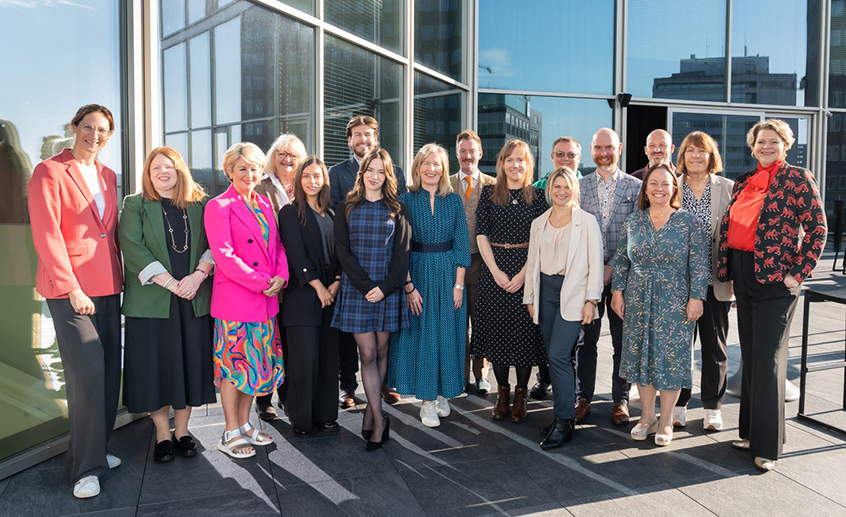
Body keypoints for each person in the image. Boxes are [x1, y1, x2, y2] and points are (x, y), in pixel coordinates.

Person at [717, 119, 826, 471]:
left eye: (773, 141)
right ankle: (749, 433)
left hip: (776, 281)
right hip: (743, 276)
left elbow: (818, 229)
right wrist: (731, 274)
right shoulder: (744, 181)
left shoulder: (798, 178)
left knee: (768, 360)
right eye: (760, 141)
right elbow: (736, 228)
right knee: (750, 356)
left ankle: (768, 446)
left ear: (786, 144)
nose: (766, 146)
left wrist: (798, 273)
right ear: (752, 146)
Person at [27, 104, 123, 499]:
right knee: (87, 375)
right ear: (75, 128)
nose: (94, 135)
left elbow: (109, 233)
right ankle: (85, 468)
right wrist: (72, 288)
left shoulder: (108, 174)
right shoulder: (49, 171)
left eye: (102, 130)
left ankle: (96, 450)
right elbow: (47, 233)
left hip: (108, 285)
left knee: (108, 372)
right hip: (70, 289)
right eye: (88, 127)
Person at [119, 146, 216, 462]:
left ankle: (183, 430)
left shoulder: (200, 204)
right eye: (155, 168)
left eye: (168, 167)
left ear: (179, 171)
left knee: (188, 364)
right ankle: (162, 432)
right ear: (148, 174)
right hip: (152, 302)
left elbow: (215, 245)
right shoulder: (135, 204)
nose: (162, 172)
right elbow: (133, 248)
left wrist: (198, 277)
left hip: (193, 299)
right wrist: (173, 283)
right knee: (155, 368)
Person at [610, 164, 708, 446]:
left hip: (675, 300)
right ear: (645, 188)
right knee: (642, 357)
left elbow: (699, 265)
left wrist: (696, 297)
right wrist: (617, 292)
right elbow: (622, 261)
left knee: (670, 360)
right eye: (653, 183)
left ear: (674, 189)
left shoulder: (689, 222)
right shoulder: (634, 221)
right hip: (637, 298)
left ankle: (666, 421)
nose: (659, 189)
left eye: (665, 184)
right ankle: (647, 416)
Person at [205, 142, 288, 459]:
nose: (249, 174)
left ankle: (244, 425)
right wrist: (262, 282)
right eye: (242, 168)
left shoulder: (265, 204)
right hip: (238, 302)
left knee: (254, 369)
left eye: (254, 168)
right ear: (229, 170)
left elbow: (278, 246)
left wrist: (281, 275)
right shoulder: (219, 206)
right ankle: (229, 432)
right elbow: (224, 257)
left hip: (266, 300)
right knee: (234, 369)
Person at [332, 148, 410, 450]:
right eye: (370, 170)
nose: (375, 176)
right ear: (361, 173)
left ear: (387, 175)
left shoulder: (398, 208)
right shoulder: (347, 207)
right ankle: (379, 418)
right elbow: (343, 252)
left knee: (381, 350)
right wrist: (366, 287)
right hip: (357, 289)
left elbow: (402, 254)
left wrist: (387, 287)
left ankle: (370, 410)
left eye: (381, 171)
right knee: (366, 354)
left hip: (387, 290)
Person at [389, 144, 471, 427]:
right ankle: (426, 401)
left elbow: (462, 244)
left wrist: (458, 286)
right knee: (423, 337)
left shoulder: (454, 201)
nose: (431, 169)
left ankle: (443, 394)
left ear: (444, 169)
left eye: (436, 164)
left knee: (448, 335)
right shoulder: (406, 200)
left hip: (449, 275)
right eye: (426, 163)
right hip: (418, 273)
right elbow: (401, 248)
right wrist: (409, 286)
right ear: (417, 167)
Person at [524, 168, 603, 449]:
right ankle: (564, 417)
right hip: (544, 293)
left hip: (573, 295)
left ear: (575, 189)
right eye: (556, 186)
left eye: (566, 186)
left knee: (558, 355)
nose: (561, 191)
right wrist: (530, 298)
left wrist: (591, 301)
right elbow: (533, 264)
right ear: (549, 190)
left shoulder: (587, 222)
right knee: (555, 358)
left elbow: (595, 263)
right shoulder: (539, 223)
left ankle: (563, 422)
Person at [472, 139, 548, 423]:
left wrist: (523, 274)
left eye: (522, 160)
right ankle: (502, 394)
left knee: (525, 335)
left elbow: (540, 241)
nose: (516, 165)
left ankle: (520, 395)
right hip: (495, 272)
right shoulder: (490, 193)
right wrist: (495, 271)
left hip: (527, 271)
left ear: (529, 165)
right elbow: (481, 234)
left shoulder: (539, 198)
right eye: (510, 159)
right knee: (497, 334)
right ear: (502, 163)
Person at [577, 128, 641, 425]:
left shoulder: (636, 187)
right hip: (586, 276)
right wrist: (594, 269)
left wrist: (613, 266)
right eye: (598, 147)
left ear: (620, 148)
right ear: (591, 150)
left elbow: (638, 234)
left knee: (622, 340)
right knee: (585, 340)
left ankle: (621, 400)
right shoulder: (579, 186)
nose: (604, 152)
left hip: (624, 275)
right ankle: (583, 398)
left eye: (609, 147)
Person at [672, 131, 734, 431]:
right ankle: (679, 403)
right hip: (677, 284)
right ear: (682, 156)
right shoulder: (671, 187)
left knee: (714, 347)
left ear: (712, 156)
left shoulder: (729, 188)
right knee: (680, 347)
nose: (696, 156)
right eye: (690, 151)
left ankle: (712, 406)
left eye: (703, 151)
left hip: (716, 281)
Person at [278, 157, 341, 435]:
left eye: (317, 176)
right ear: (298, 180)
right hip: (304, 296)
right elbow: (295, 254)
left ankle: (326, 415)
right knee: (304, 360)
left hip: (332, 294)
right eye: (306, 176)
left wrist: (337, 282)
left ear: (324, 180)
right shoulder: (291, 212)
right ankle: (301, 419)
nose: (312, 181)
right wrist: (318, 287)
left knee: (328, 359)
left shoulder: (334, 212)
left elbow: (343, 252)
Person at [253, 133, 306, 421]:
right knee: (267, 339)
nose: (287, 160)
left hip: (301, 277)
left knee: (290, 339)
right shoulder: (259, 186)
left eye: (293, 156)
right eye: (281, 154)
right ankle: (264, 398)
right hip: (270, 275)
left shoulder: (307, 186)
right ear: (273, 156)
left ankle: (287, 395)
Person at [531, 136, 584, 399]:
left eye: (570, 155)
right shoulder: (538, 189)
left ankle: (575, 396)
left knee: (577, 346)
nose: (565, 159)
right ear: (552, 157)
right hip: (546, 279)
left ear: (579, 157)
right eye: (560, 154)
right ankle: (546, 380)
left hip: (578, 282)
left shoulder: (585, 188)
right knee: (549, 344)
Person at [449, 130, 496, 395]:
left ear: (480, 153)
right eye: (463, 151)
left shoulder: (493, 184)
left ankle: (481, 375)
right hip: (454, 263)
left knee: (481, 322)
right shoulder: (445, 183)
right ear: (457, 154)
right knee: (457, 322)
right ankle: (459, 375)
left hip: (482, 262)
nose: (468, 156)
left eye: (472, 151)